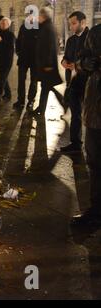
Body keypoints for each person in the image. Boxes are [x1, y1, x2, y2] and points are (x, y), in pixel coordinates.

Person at [71, 24, 101, 225]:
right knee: (95, 162)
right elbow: (82, 60)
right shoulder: (97, 33)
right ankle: (96, 210)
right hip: (96, 113)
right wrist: (92, 62)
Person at [60, 11, 89, 153]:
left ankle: (92, 146)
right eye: (70, 23)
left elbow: (92, 62)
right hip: (72, 82)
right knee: (75, 113)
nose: (71, 26)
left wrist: (77, 66)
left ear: (82, 22)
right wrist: (64, 62)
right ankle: (75, 143)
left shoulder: (91, 38)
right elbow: (66, 56)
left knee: (90, 116)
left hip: (87, 83)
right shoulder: (71, 40)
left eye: (73, 23)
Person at [31, 7, 62, 117]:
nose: (38, 18)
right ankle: (41, 108)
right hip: (46, 64)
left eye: (39, 15)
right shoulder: (47, 26)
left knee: (47, 87)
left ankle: (63, 103)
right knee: (47, 87)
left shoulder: (47, 28)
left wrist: (48, 64)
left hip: (47, 65)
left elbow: (49, 47)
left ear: (43, 16)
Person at [14, 15, 39, 109]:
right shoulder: (23, 27)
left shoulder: (38, 27)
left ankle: (31, 100)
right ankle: (20, 100)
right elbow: (18, 40)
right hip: (23, 58)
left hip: (35, 59)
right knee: (21, 80)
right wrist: (18, 51)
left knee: (34, 81)